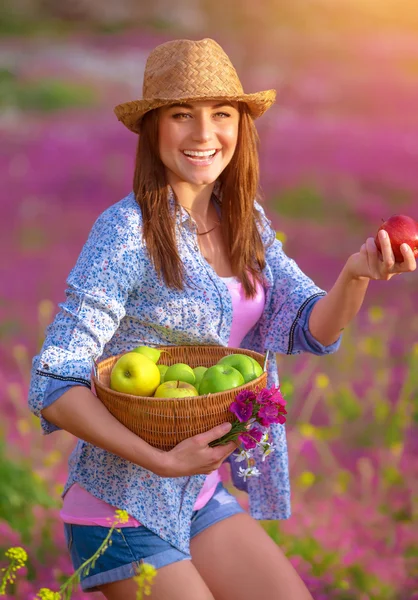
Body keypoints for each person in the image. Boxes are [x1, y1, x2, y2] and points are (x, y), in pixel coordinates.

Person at [28, 38, 417, 600]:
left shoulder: (245, 220)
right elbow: (54, 382)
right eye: (182, 114)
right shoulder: (124, 233)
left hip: (199, 495)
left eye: (222, 114)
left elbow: (310, 325)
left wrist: (356, 273)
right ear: (153, 128)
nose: (204, 134)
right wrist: (161, 460)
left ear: (241, 126)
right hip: (121, 506)